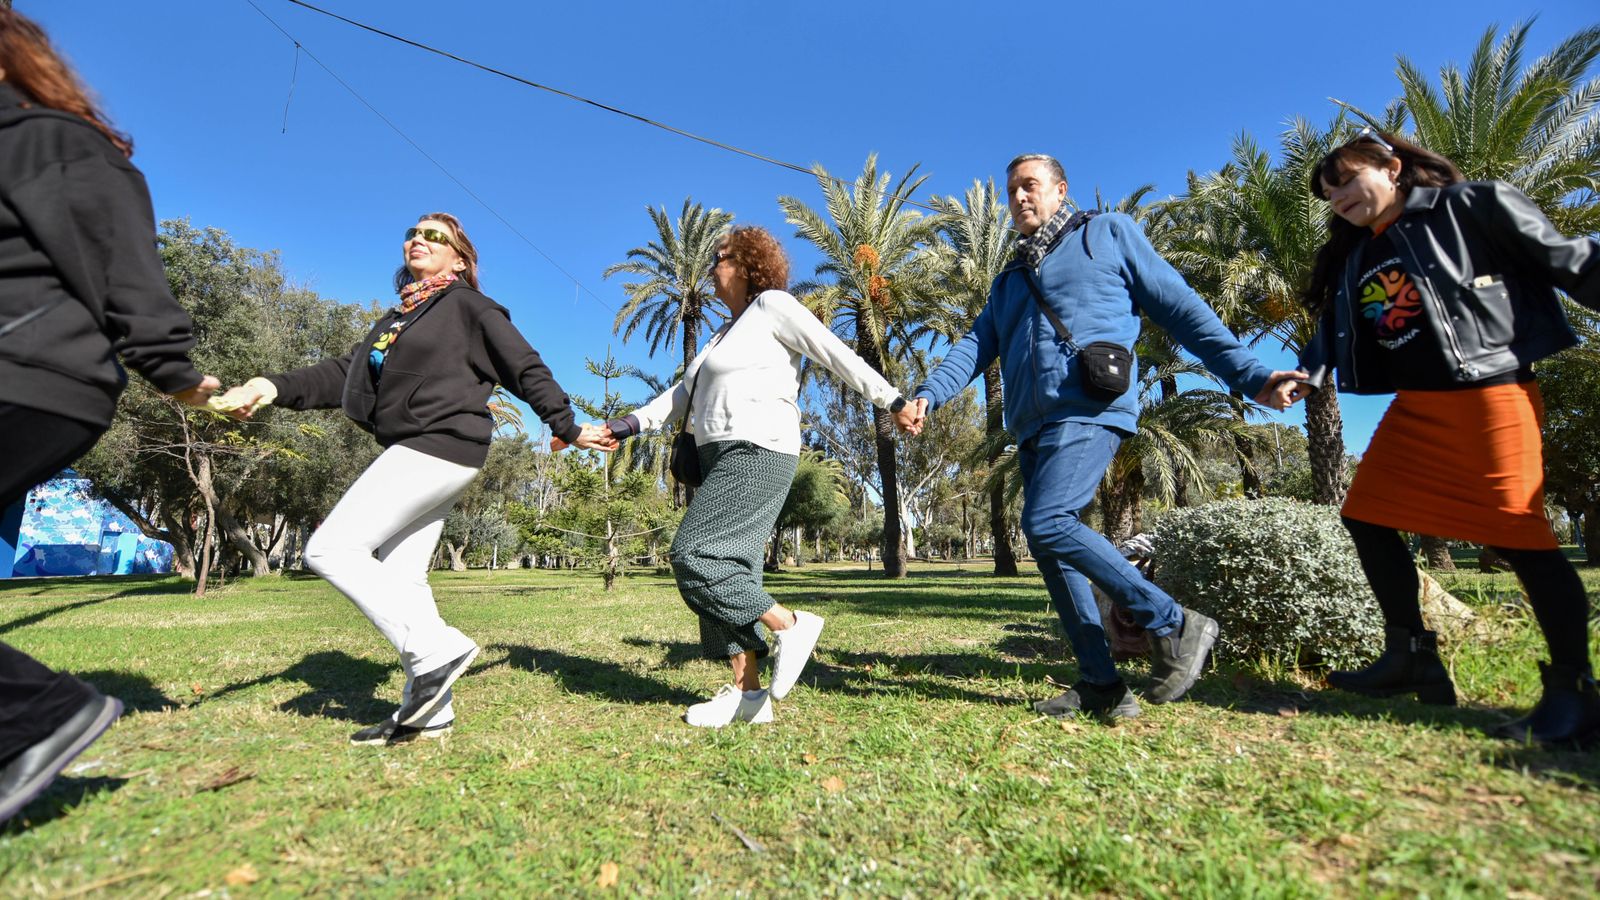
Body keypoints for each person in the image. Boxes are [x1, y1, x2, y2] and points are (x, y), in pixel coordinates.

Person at [903, 153, 1304, 722]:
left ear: (1059, 190)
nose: (1019, 197)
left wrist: (1252, 375)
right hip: (1033, 425)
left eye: (1030, 186)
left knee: (1047, 522)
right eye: (1012, 189)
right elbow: (974, 345)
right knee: (1050, 547)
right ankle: (1101, 684)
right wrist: (929, 393)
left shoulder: (1107, 235)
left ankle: (1175, 623)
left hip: (1092, 407)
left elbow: (1181, 307)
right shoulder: (1009, 280)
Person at [213, 213, 613, 746]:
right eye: (413, 233)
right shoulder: (397, 322)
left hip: (440, 442)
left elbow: (525, 365)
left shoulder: (470, 308)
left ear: (460, 260)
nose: (418, 240)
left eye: (435, 236)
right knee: (403, 578)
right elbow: (343, 373)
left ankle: (436, 649)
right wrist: (269, 385)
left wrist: (565, 425)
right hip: (422, 446)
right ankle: (431, 714)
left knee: (330, 550)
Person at [1272, 127, 1600, 746]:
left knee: (1522, 536)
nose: (1338, 197)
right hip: (1416, 407)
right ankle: (1411, 656)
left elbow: (1569, 260)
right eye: (1328, 193)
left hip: (1490, 393)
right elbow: (1333, 329)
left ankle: (1574, 694)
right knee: (1366, 515)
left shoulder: (1470, 205)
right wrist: (1308, 377)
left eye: (1347, 180)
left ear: (1391, 167)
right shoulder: (1357, 253)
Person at [0, 9, 220, 822]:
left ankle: (35, 715)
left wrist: (175, 372)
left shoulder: (46, 138)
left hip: (32, 373)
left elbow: (121, 256)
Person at [603, 225, 910, 727]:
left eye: (719, 258)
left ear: (747, 265)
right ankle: (749, 698)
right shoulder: (719, 336)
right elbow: (677, 399)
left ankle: (790, 624)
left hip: (758, 448)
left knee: (695, 555)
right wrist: (625, 426)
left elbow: (836, 353)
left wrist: (892, 400)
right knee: (732, 570)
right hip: (714, 456)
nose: (711, 268)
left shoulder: (772, 307)